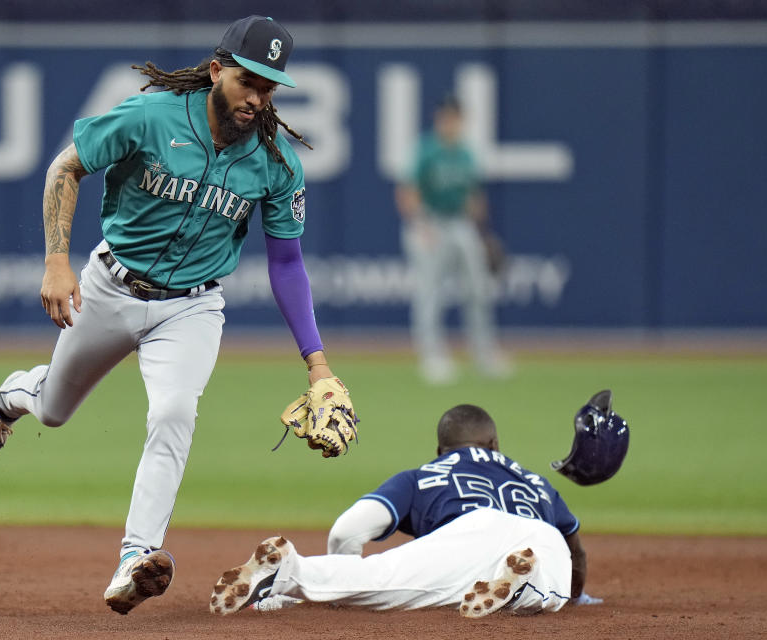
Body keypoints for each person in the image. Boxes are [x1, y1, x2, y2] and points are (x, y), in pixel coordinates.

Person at [0, 15, 355, 615]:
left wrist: (318, 364)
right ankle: (13, 397)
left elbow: (287, 265)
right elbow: (65, 168)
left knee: (174, 411)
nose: (257, 97)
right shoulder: (150, 117)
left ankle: (135, 556)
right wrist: (54, 262)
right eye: (249, 80)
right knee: (55, 410)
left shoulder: (275, 163)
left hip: (193, 306)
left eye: (270, 87)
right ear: (218, 69)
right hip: (111, 286)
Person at [210, 403, 600, 617]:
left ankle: (289, 570)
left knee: (382, 578)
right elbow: (577, 552)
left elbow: (348, 531)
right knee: (555, 589)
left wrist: (340, 593)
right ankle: (525, 585)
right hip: (543, 537)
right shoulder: (536, 482)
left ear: (440, 450)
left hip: (469, 533)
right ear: (495, 443)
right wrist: (578, 594)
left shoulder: (423, 475)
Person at [394, 95, 510, 384]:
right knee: (430, 292)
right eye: (447, 117)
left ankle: (484, 353)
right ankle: (431, 356)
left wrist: (482, 234)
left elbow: (474, 196)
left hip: (460, 224)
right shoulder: (427, 149)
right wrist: (420, 224)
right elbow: (407, 190)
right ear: (439, 119)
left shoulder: (465, 153)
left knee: (478, 288)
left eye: (456, 118)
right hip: (429, 222)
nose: (451, 123)